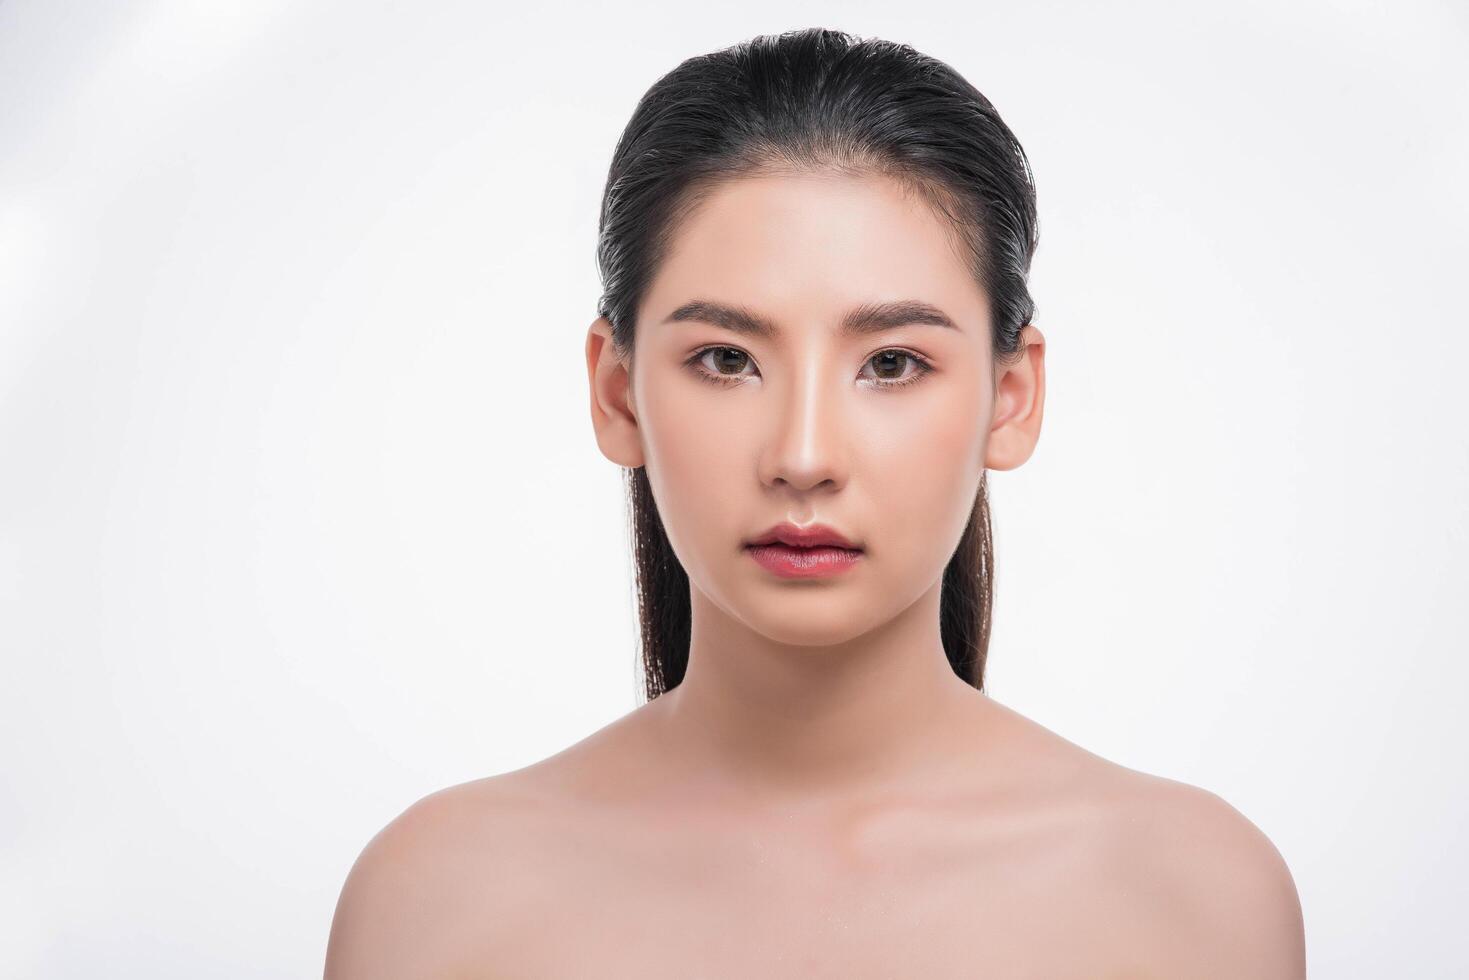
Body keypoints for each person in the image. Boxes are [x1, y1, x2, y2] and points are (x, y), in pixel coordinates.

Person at [324, 27, 1305, 978]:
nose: (802, 455)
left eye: (890, 362)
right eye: (724, 359)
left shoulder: (1188, 893)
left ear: (1011, 398)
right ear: (616, 391)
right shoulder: (436, 898)